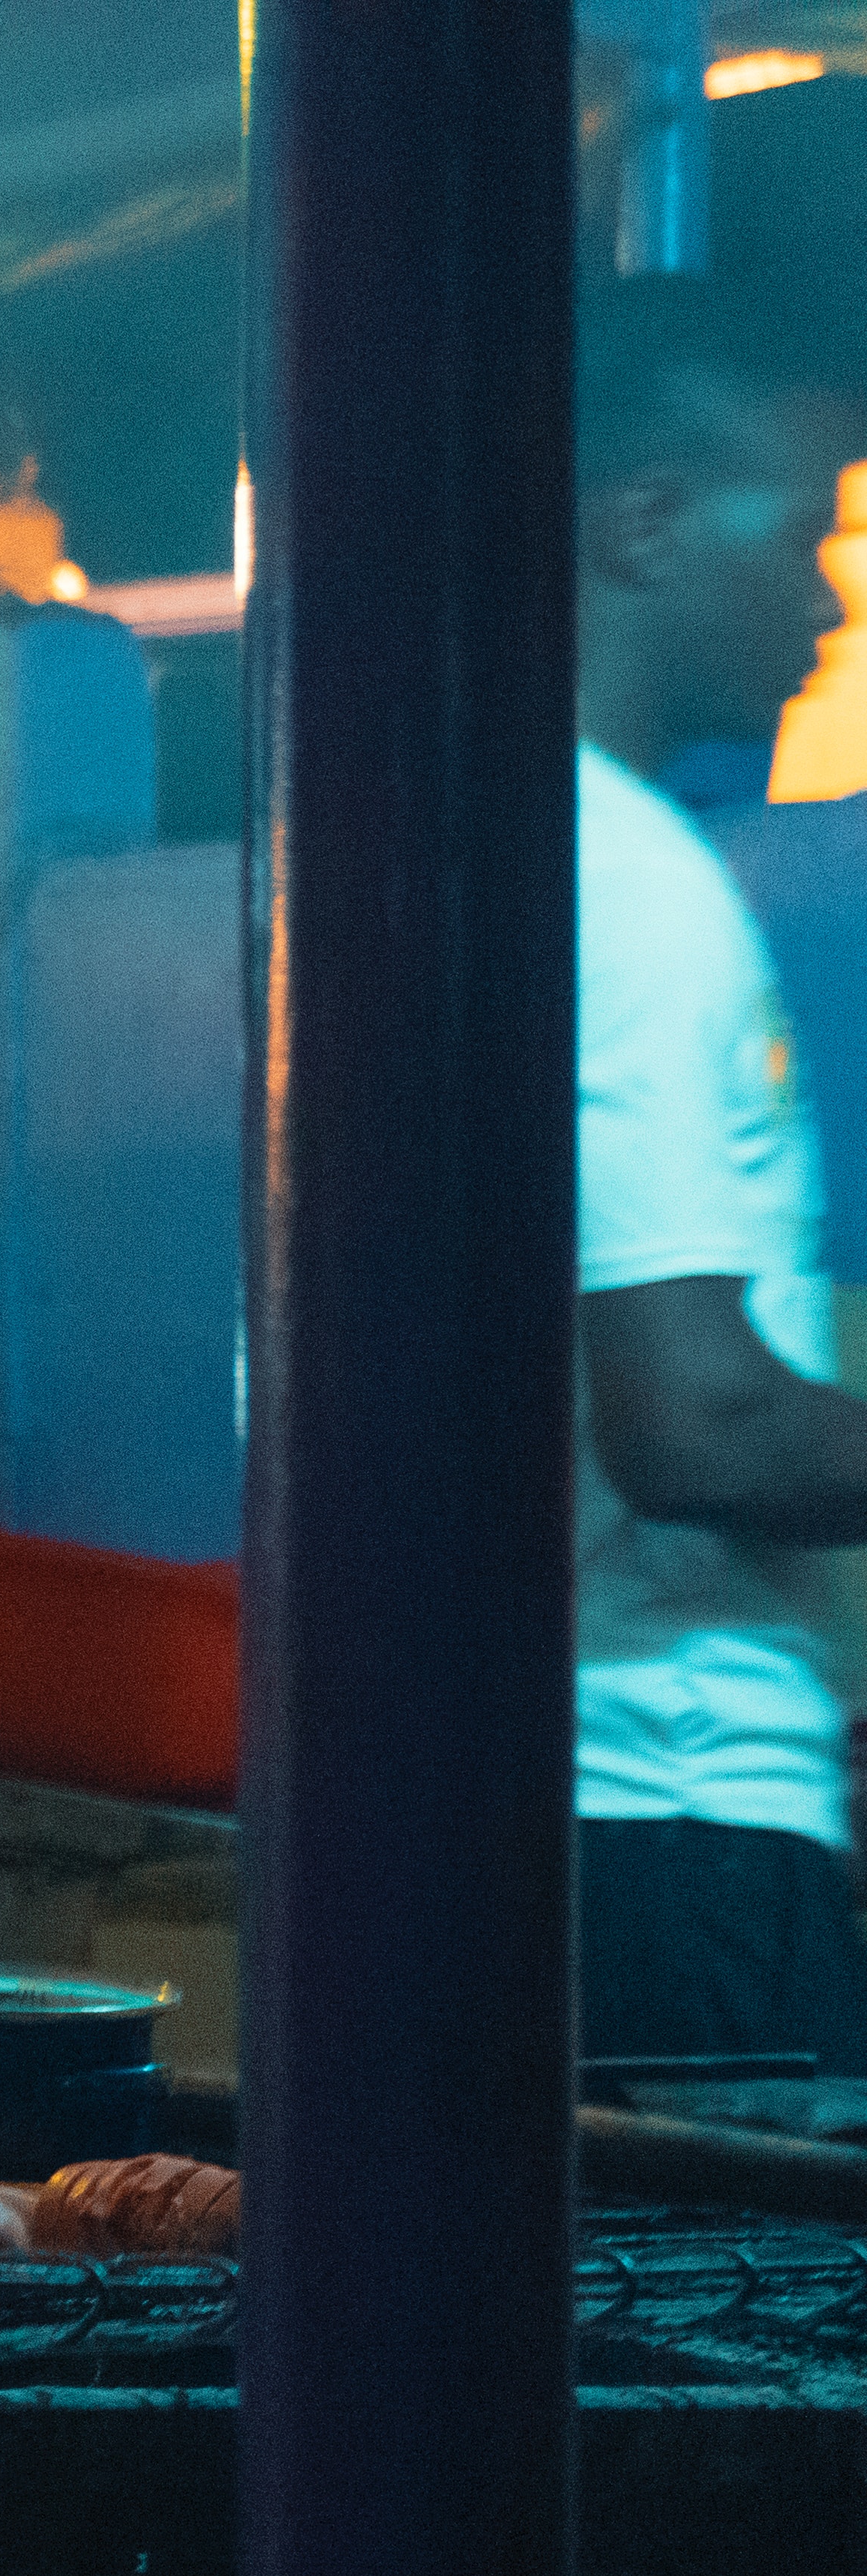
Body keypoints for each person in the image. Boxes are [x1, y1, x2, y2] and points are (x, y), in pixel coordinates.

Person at [564, 277, 867, 2073]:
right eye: (816, 521)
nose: (835, 589)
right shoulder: (637, 885)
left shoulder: (479, 851)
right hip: (673, 1822)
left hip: (534, 1815)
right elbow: (696, 1419)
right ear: (653, 520)